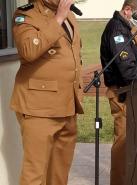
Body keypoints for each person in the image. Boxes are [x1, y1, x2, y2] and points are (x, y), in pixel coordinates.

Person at [10, 0, 83, 184]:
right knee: (35, 175)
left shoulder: (71, 16)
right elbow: (28, 50)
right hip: (39, 108)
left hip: (67, 106)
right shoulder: (26, 14)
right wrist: (58, 18)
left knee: (59, 173)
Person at [100, 0, 137, 185]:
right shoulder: (117, 30)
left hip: (128, 91)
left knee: (129, 142)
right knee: (122, 144)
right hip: (122, 93)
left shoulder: (123, 27)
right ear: (128, 11)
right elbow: (126, 66)